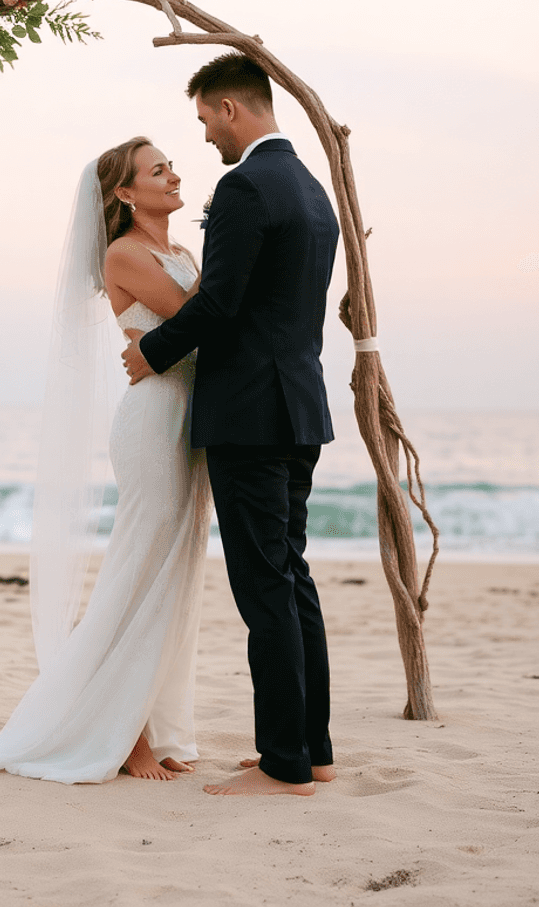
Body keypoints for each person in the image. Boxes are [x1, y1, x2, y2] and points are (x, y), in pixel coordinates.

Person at [0, 137, 213, 783]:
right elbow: (197, 316)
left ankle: (159, 724)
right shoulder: (125, 253)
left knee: (176, 576)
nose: (174, 175)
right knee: (137, 571)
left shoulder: (182, 253)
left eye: (171, 166)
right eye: (158, 170)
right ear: (125, 193)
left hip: (191, 421)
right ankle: (126, 735)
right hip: (154, 420)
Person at [121, 52, 340, 797]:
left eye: (205, 120)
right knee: (292, 576)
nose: (207, 137)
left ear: (229, 109)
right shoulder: (310, 187)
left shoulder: (246, 185)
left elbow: (220, 304)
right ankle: (311, 750)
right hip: (299, 405)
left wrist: (151, 351)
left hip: (249, 412)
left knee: (264, 587)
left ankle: (283, 764)